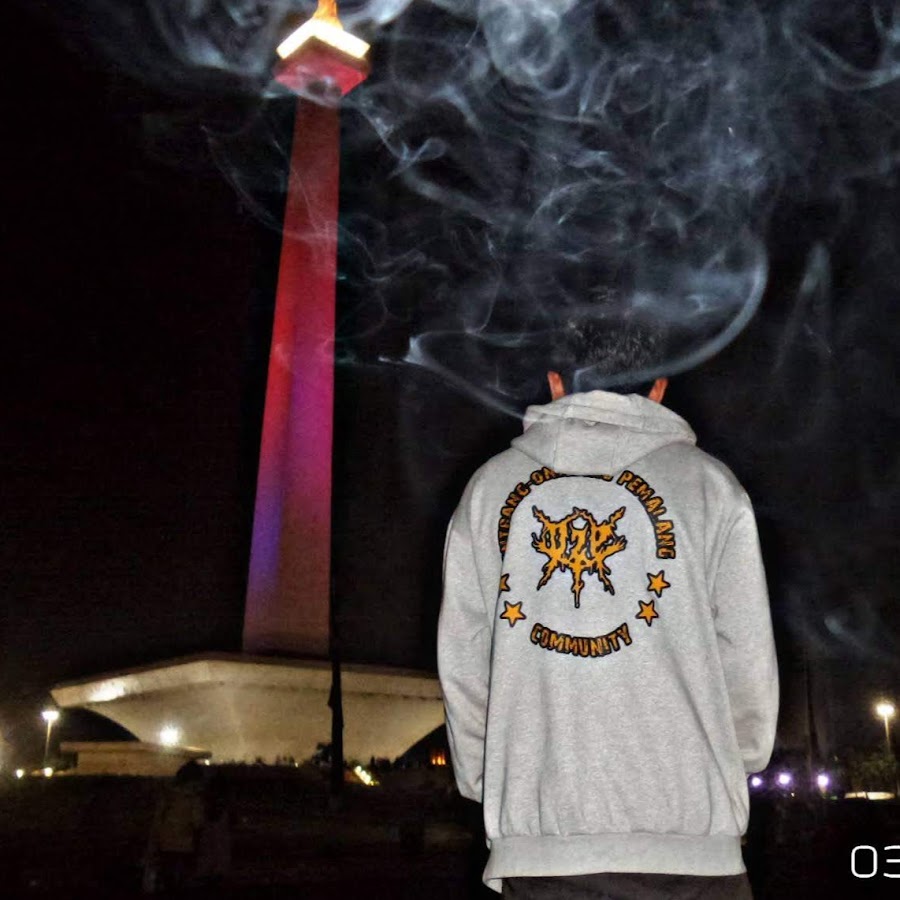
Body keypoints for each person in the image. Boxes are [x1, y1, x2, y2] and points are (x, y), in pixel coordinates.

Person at [437, 319, 779, 898]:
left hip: (542, 856)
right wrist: (727, 762)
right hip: (694, 856)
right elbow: (747, 662)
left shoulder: (490, 490)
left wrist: (491, 782)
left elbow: (464, 666)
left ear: (554, 383)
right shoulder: (711, 489)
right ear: (660, 388)